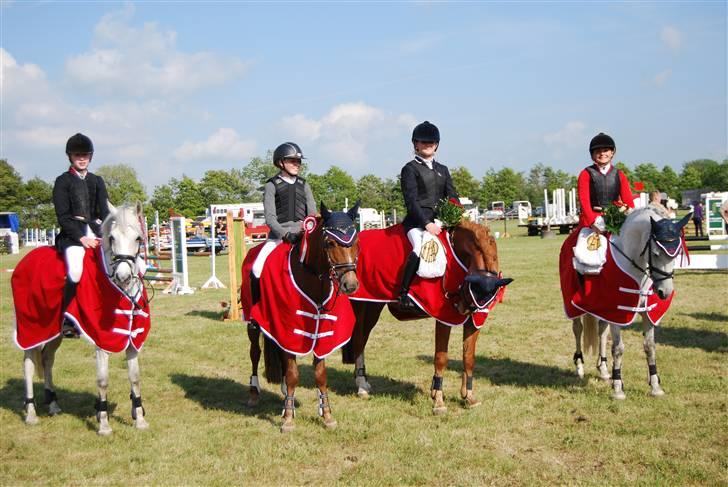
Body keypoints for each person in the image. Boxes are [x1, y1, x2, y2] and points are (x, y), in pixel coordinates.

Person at [53, 133, 110, 337]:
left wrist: (106, 233)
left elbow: (104, 212)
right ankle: (66, 318)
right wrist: (81, 238)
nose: (82, 158)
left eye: (85, 155)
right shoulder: (63, 181)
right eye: (78, 155)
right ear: (70, 157)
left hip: (95, 232)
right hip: (73, 236)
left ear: (90, 156)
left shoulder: (97, 180)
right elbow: (63, 216)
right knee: (76, 270)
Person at [398, 121, 459, 310]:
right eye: (423, 142)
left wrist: (453, 216)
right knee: (419, 248)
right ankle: (403, 293)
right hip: (417, 223)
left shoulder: (443, 169)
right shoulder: (409, 169)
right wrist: (426, 224)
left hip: (440, 222)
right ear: (415, 144)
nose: (428, 145)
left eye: (431, 142)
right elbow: (411, 201)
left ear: (437, 145)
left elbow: (453, 197)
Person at [250, 142, 316, 305]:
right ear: (281, 162)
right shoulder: (271, 185)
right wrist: (285, 234)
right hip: (279, 237)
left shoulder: (304, 184)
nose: (297, 165)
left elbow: (312, 215)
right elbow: (270, 218)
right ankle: (257, 314)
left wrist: (306, 232)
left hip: (303, 235)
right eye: (293, 161)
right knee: (257, 268)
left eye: (299, 161)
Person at [577, 132, 635, 233]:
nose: (602, 154)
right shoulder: (585, 174)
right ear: (592, 155)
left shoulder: (620, 175)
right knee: (580, 248)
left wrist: (630, 216)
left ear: (612, 152)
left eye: (605, 150)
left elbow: (628, 202)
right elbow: (584, 201)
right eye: (598, 151)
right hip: (591, 222)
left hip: (616, 221)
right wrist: (593, 221)